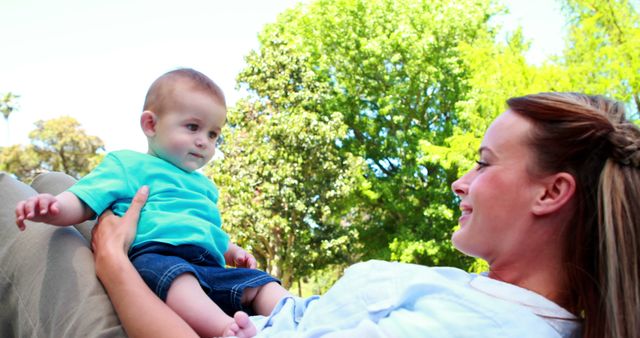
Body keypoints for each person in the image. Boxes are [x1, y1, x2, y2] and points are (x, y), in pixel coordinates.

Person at [90, 92, 640, 338]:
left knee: (11, 200)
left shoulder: (472, 329)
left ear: (551, 194)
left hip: (159, 321)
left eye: (483, 163)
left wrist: (115, 261)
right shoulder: (486, 300)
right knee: (52, 189)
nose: (460, 181)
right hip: (232, 311)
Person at [14, 68, 290, 337]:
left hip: (210, 267)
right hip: (158, 256)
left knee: (260, 282)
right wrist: (53, 208)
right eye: (193, 127)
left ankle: (292, 313)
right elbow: (85, 198)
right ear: (151, 124)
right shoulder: (129, 165)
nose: (204, 141)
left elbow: (206, 229)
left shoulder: (204, 185)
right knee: (180, 281)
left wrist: (233, 252)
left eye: (213, 134)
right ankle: (223, 329)